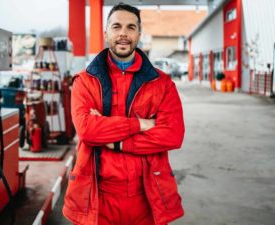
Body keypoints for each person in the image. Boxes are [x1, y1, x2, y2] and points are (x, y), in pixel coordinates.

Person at [63, 3, 185, 225]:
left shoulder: (163, 84)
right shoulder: (85, 82)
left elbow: (173, 135)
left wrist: (118, 143)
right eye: (116, 26)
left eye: (131, 27)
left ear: (139, 33)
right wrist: (141, 125)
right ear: (106, 32)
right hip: (98, 198)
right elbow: (88, 131)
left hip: (147, 198)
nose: (123, 34)